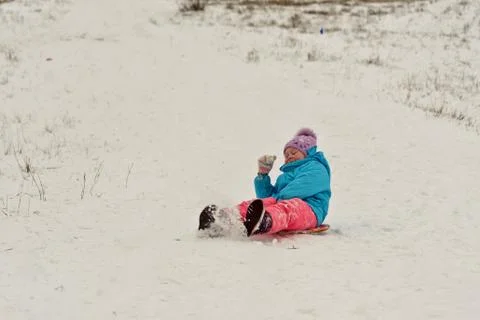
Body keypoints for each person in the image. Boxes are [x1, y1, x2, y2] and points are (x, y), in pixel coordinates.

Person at [199, 128, 332, 237]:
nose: (289, 156)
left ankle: (265, 221)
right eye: (286, 155)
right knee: (257, 204)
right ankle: (224, 219)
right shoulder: (284, 177)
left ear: (307, 153)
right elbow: (268, 196)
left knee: (289, 208)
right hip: (284, 202)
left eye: (293, 152)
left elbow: (303, 186)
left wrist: (276, 199)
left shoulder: (316, 167)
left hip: (311, 210)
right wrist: (263, 176)